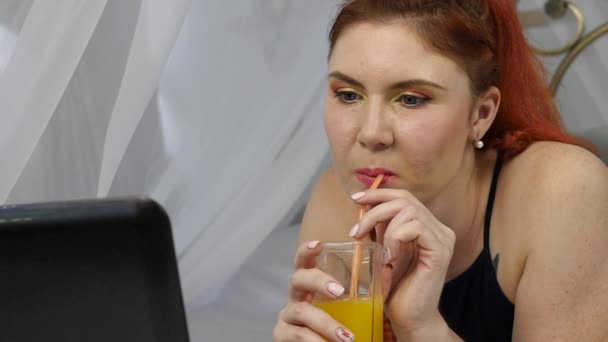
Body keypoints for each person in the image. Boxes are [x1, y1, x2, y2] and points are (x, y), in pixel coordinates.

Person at [272, 0, 608, 341]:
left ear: (481, 114)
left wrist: (424, 329)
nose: (371, 133)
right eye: (347, 94)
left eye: (411, 99)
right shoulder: (336, 200)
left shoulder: (562, 191)